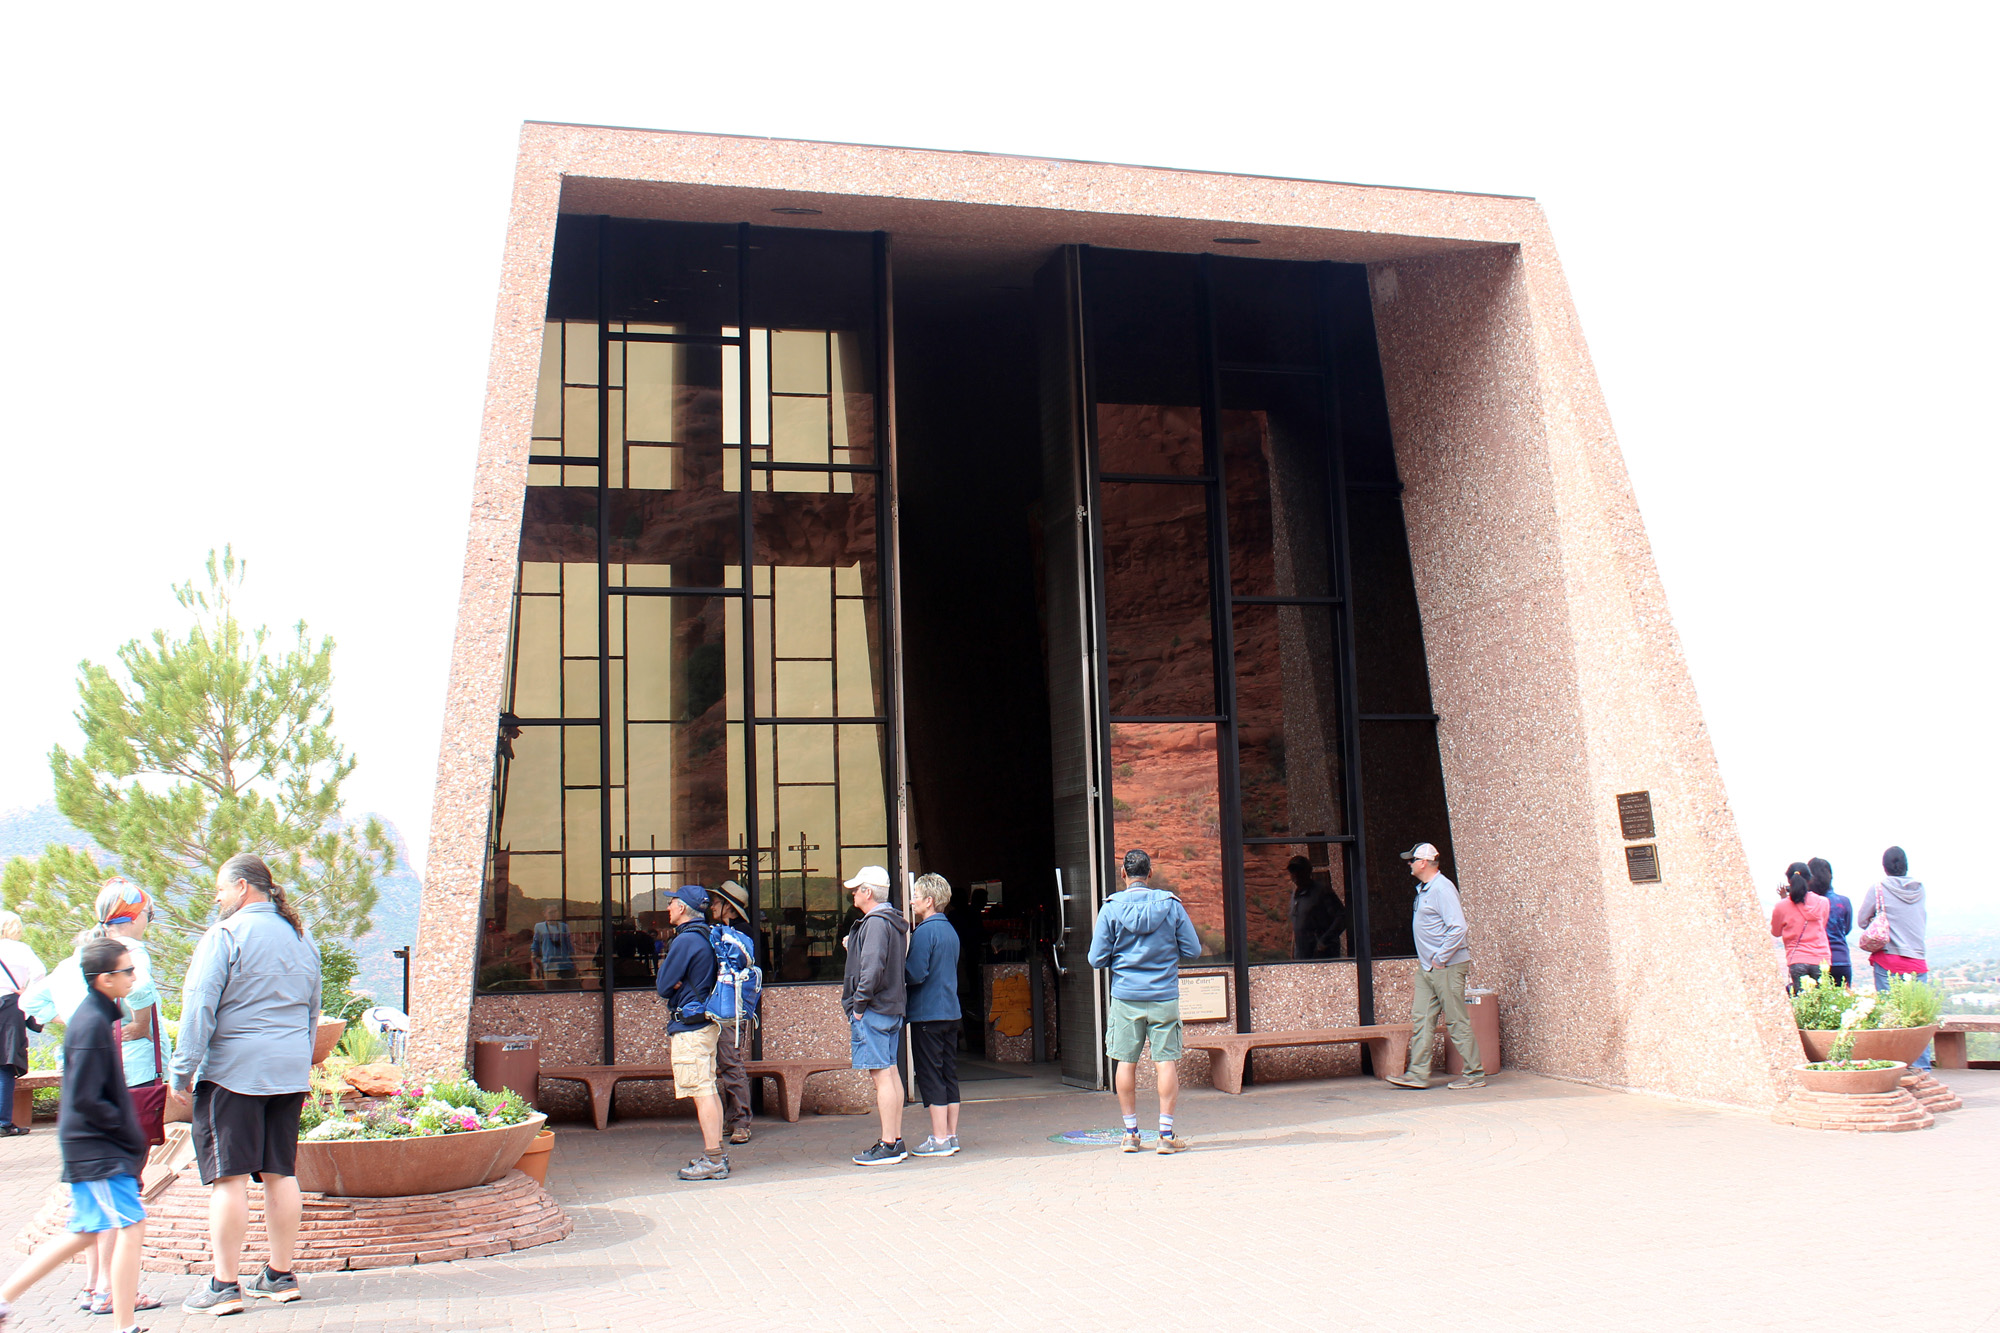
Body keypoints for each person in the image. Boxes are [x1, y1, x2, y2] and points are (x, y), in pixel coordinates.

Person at [167, 853, 320, 1315]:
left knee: (228, 1177)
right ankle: (280, 1276)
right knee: (281, 1172)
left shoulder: (225, 935)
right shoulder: (303, 937)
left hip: (234, 1072)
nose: (217, 898)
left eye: (220, 888)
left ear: (241, 887)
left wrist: (182, 1071)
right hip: (288, 1071)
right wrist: (297, 1061)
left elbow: (198, 1007)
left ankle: (224, 1285)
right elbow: (312, 1010)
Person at [19, 882, 171, 1317]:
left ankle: (94, 1286)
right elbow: (143, 1000)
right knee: (124, 1193)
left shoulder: (75, 960)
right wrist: (124, 1025)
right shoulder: (129, 955)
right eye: (149, 915)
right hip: (132, 1079)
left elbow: (31, 1005)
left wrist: (74, 1024)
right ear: (136, 916)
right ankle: (110, 1291)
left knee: (100, 1205)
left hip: (90, 1087)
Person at [0, 937, 150, 1333]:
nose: (133, 977)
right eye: (127, 970)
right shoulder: (91, 1024)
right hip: (97, 1149)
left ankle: (3, 1299)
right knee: (131, 1225)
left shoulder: (97, 1017)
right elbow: (85, 1098)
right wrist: (127, 1133)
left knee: (84, 1233)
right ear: (104, 979)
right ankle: (124, 1325)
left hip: (94, 1145)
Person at [1087, 849, 1201, 1154]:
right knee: (1165, 1062)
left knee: (1126, 1062)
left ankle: (1131, 1135)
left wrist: (1121, 957)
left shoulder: (1111, 909)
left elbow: (1096, 959)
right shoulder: (1171, 905)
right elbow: (1193, 950)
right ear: (1150, 873)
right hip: (1164, 995)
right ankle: (1165, 1135)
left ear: (1123, 874)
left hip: (1126, 997)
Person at [1386, 843, 1487, 1090]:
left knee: (1456, 1020)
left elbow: (1458, 927)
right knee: (1421, 1019)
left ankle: (1474, 1074)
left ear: (1423, 863)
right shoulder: (1425, 889)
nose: (1409, 864)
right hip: (1428, 968)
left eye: (1412, 860)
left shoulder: (1442, 888)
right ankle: (1417, 1074)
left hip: (1446, 967)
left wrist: (1440, 959)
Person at [656, 886, 728, 1182]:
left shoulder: (685, 940)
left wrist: (676, 983)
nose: (668, 907)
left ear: (683, 908)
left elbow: (663, 985)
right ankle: (716, 1154)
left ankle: (713, 1160)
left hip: (690, 1028)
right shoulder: (707, 935)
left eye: (672, 902)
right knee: (708, 1087)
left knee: (701, 1091)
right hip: (706, 1024)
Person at [841, 865, 910, 1166]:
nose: (853, 895)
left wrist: (858, 1007)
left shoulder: (875, 923)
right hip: (891, 1007)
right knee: (890, 1072)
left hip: (874, 1010)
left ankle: (888, 1143)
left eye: (856, 889)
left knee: (881, 1076)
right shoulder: (891, 921)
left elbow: (871, 970)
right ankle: (895, 1140)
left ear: (868, 892)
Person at [1856, 845, 1932, 1071]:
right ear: (1906, 865)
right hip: (1917, 959)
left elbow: (1862, 921)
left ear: (1885, 867)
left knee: (1889, 1013)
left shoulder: (1878, 888)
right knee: (1918, 1017)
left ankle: (1895, 1067)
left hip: (1888, 959)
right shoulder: (1920, 889)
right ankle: (1923, 1068)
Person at [904, 873, 962, 1158]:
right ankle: (950, 1135)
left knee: (930, 1075)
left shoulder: (924, 932)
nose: (911, 901)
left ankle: (938, 1140)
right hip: (951, 1011)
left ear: (929, 900)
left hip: (927, 1013)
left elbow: (915, 973)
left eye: (915, 896)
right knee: (948, 1073)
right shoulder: (950, 930)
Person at [706, 881, 758, 1147]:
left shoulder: (740, 933)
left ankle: (740, 1122)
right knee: (726, 1062)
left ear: (730, 907)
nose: (712, 906)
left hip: (732, 1007)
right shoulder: (723, 931)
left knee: (730, 1061)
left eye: (717, 901)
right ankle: (733, 1118)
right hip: (722, 1005)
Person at [0, 910, 48, 1140]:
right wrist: (27, 991)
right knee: (5, 1065)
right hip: (10, 1007)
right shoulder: (21, 949)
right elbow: (40, 973)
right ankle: (3, 1123)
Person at [1770, 862, 1831, 994]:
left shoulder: (1781, 906)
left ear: (1789, 880)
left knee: (1802, 1000)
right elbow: (1822, 926)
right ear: (1810, 879)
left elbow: (1776, 932)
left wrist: (1783, 899)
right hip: (1821, 958)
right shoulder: (1823, 902)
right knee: (1822, 1000)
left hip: (1797, 958)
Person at [1286, 855, 1345, 960]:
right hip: (1302, 957)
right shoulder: (1295, 895)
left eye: (1299, 870)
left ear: (1308, 871)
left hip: (1321, 958)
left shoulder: (1322, 892)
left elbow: (1342, 917)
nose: (1296, 874)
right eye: (1292, 871)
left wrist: (1324, 942)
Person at [1807, 858, 1853, 987]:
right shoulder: (1843, 902)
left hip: (1815, 960)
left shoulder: (1807, 904)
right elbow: (1846, 929)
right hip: (1841, 960)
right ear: (1830, 876)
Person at [532, 905, 575, 986]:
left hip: (565, 965)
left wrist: (575, 963)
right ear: (544, 913)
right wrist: (535, 964)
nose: (553, 914)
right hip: (549, 966)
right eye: (550, 912)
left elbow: (569, 946)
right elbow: (535, 945)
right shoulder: (539, 927)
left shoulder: (564, 927)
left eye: (555, 912)